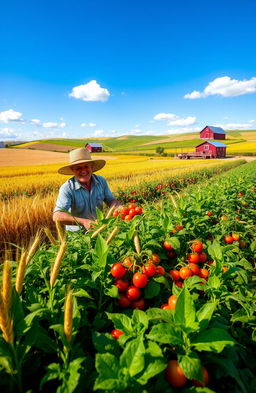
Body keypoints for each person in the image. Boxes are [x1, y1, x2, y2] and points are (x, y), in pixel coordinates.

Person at [53, 147, 120, 231]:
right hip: (78, 237)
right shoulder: (67, 188)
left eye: (86, 166)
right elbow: (57, 216)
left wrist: (119, 208)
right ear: (72, 169)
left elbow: (110, 200)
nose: (83, 170)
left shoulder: (101, 181)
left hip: (98, 229)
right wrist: (84, 222)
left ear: (91, 167)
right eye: (78, 168)